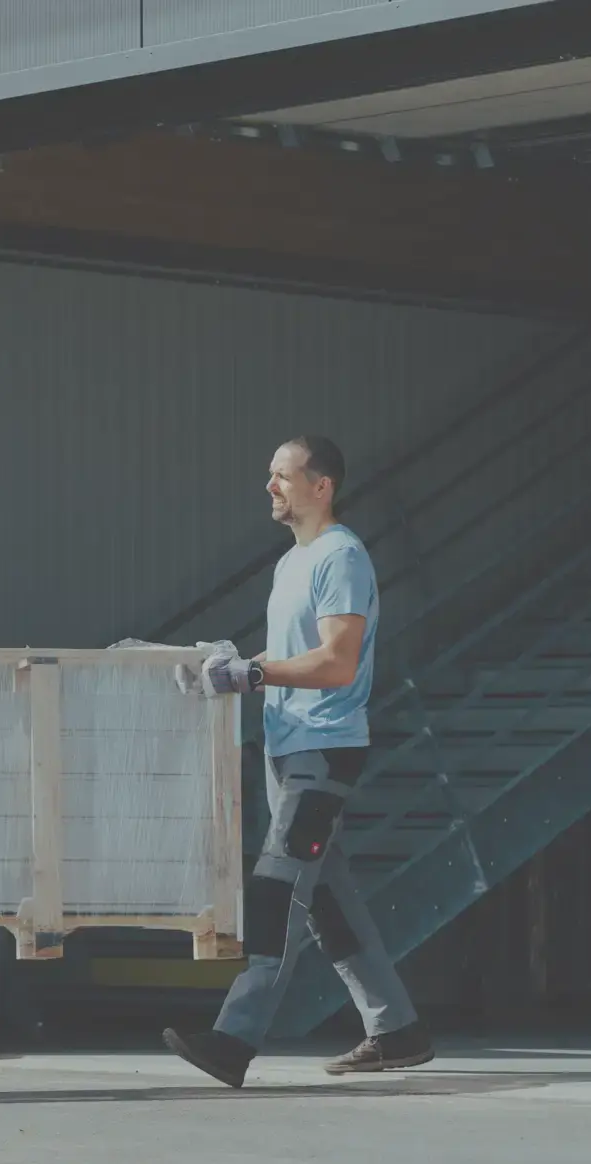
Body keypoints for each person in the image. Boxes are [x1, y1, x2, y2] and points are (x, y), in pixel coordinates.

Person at [164, 436, 433, 1088]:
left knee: (277, 891)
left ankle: (233, 1040)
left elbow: (337, 663)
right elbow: (289, 657)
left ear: (322, 487)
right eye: (270, 476)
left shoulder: (341, 558)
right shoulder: (293, 563)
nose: (270, 486)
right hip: (287, 749)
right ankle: (396, 1030)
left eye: (283, 476)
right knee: (329, 902)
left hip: (324, 749)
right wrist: (226, 668)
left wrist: (249, 673)